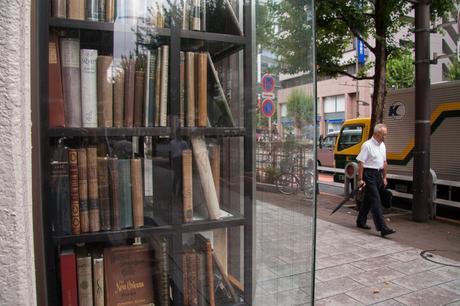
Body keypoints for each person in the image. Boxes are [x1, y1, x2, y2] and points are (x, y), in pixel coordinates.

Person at [356, 123, 396, 237]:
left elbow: (384, 162)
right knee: (376, 201)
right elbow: (361, 162)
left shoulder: (382, 145)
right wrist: (360, 179)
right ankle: (383, 228)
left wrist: (384, 177)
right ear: (377, 133)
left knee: (369, 200)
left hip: (378, 174)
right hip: (369, 174)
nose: (385, 136)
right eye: (384, 134)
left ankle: (360, 221)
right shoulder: (367, 145)